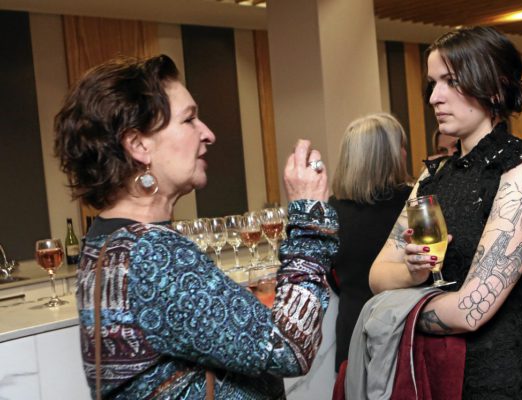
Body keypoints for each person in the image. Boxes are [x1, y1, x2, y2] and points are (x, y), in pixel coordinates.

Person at [54, 54, 339, 399]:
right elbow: (290, 346)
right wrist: (309, 219)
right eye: (189, 120)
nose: (209, 134)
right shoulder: (151, 254)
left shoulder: (107, 239)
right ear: (139, 145)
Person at [369, 26, 522, 399]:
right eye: (432, 83)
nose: (434, 97)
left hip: (497, 381)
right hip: (432, 375)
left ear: (493, 89)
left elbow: (471, 310)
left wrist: (395, 313)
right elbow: (378, 275)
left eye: (451, 81)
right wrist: (412, 271)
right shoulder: (433, 176)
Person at [327, 113, 412, 372]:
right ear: (391, 156)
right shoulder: (413, 205)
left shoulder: (331, 211)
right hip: (402, 334)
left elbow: (332, 277)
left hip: (352, 335)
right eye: (401, 146)